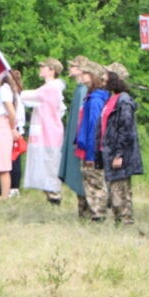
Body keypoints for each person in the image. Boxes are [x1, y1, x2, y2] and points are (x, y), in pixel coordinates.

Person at [21, 58, 66, 204]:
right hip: (47, 131)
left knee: (49, 164)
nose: (40, 69)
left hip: (49, 133)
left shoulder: (51, 88)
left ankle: (54, 195)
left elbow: (30, 96)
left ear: (52, 70)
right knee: (46, 164)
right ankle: (51, 194)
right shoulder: (51, 87)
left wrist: (18, 90)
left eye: (44, 67)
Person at [101, 69, 143, 225]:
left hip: (120, 152)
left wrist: (119, 154)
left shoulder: (123, 101)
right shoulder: (111, 98)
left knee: (121, 189)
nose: (102, 78)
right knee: (113, 188)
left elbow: (126, 129)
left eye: (106, 76)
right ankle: (118, 219)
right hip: (109, 149)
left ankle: (125, 220)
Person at [75, 60, 110, 220]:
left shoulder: (96, 99)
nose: (81, 75)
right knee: (88, 182)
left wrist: (91, 153)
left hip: (92, 149)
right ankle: (90, 212)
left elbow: (94, 127)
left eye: (85, 73)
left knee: (95, 182)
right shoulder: (90, 96)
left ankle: (98, 214)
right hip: (85, 147)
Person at [59, 57, 89, 213]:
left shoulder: (84, 90)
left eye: (73, 66)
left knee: (81, 173)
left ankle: (87, 208)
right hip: (76, 137)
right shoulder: (79, 89)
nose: (69, 68)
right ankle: (82, 208)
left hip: (81, 140)